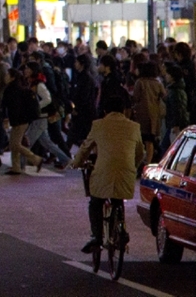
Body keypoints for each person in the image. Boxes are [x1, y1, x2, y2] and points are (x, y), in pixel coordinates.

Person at [69, 95, 145, 254]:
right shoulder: (134, 127)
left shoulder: (98, 125)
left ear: (104, 110)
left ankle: (97, 237)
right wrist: (133, 167)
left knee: (95, 202)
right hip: (126, 171)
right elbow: (140, 153)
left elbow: (85, 148)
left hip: (104, 171)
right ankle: (121, 230)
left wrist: (76, 162)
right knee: (118, 200)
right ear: (124, 110)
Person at [2, 68, 43, 175]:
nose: (5, 77)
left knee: (15, 144)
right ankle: (16, 167)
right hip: (21, 120)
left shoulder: (12, 89)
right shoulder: (17, 88)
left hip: (19, 120)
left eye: (7, 74)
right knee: (14, 143)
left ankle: (35, 159)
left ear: (12, 77)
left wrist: (8, 119)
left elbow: (13, 107)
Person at [131, 61, 166, 168]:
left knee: (140, 139)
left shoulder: (140, 82)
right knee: (150, 140)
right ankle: (148, 163)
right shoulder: (158, 83)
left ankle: (139, 162)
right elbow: (164, 96)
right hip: (154, 116)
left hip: (141, 115)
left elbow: (135, 98)